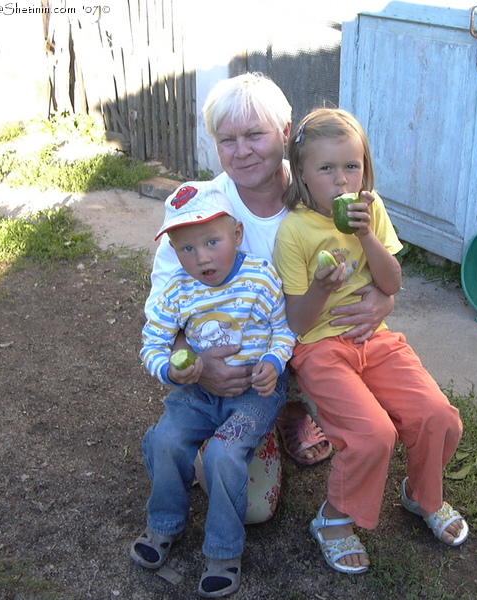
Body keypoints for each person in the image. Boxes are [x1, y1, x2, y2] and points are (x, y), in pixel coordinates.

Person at [147, 73, 394, 469]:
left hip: (315, 345)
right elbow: (164, 303)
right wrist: (196, 364)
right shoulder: (200, 211)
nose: (242, 151)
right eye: (227, 140)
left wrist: (385, 297)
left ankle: (293, 408)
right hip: (242, 364)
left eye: (254, 135)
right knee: (249, 506)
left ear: (285, 132)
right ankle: (250, 415)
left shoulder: (326, 181)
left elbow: (373, 251)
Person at [272, 108, 469, 574]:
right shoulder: (294, 230)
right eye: (326, 169)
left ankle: (424, 496)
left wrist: (365, 235)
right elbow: (298, 323)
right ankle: (334, 521)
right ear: (301, 172)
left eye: (352, 166)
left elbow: (392, 281)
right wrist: (321, 286)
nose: (342, 180)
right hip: (321, 348)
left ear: (365, 168)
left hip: (374, 338)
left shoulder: (370, 209)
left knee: (438, 415)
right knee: (372, 434)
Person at [132, 185, 295, 598]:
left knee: (225, 452)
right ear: (173, 250)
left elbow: (283, 330)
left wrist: (273, 364)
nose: (202, 257)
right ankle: (164, 524)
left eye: (212, 242)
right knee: (168, 438)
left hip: (253, 394)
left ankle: (223, 550)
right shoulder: (177, 291)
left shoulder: (260, 276)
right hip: (197, 394)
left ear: (237, 234)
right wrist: (171, 369)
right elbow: (151, 343)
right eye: (187, 249)